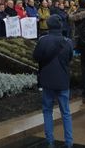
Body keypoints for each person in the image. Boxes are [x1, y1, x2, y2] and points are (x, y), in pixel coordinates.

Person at [33, 15, 73, 148]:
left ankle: (50, 141)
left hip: (47, 81)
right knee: (66, 112)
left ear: (48, 26)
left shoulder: (43, 40)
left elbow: (35, 57)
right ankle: (69, 142)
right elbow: (70, 58)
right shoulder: (68, 42)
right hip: (63, 81)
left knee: (47, 111)